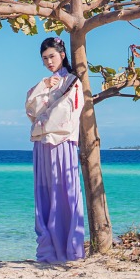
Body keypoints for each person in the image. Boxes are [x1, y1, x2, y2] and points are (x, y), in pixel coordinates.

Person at [24, 36, 85, 263]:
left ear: (62, 55)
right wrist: (43, 87)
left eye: (52, 56)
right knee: (45, 195)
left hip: (62, 142)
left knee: (65, 194)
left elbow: (65, 114)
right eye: (44, 58)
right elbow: (31, 109)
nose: (49, 62)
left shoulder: (72, 82)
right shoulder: (44, 83)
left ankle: (71, 250)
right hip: (42, 145)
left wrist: (41, 120)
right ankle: (49, 250)